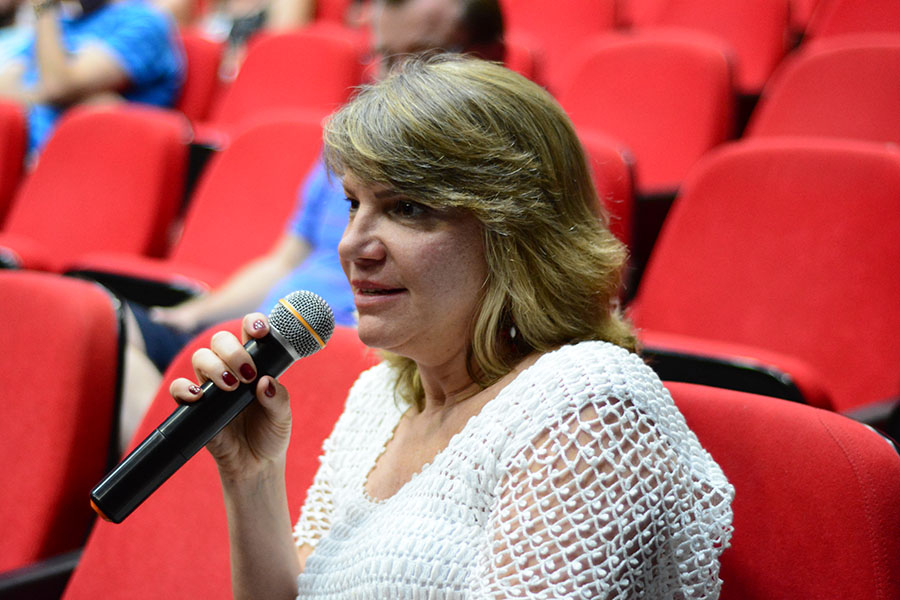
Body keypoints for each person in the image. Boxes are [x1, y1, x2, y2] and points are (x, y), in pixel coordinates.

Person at [171, 54, 735, 598]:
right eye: (353, 204)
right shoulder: (381, 396)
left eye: (407, 208)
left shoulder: (587, 405)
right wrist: (252, 476)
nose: (352, 245)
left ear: (515, 232)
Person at [120, 0, 504, 447]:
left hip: (346, 368)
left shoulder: (495, 174)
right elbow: (284, 261)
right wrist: (188, 317)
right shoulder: (352, 147)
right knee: (106, 324)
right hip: (269, 344)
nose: (349, 245)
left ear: (489, 57)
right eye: (386, 58)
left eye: (421, 60)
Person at [0, 0, 184, 157]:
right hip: (20, 148)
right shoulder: (66, 21)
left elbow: (57, 86)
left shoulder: (143, 22)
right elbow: (5, 85)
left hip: (79, 158)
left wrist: (44, 7)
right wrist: (56, 93)